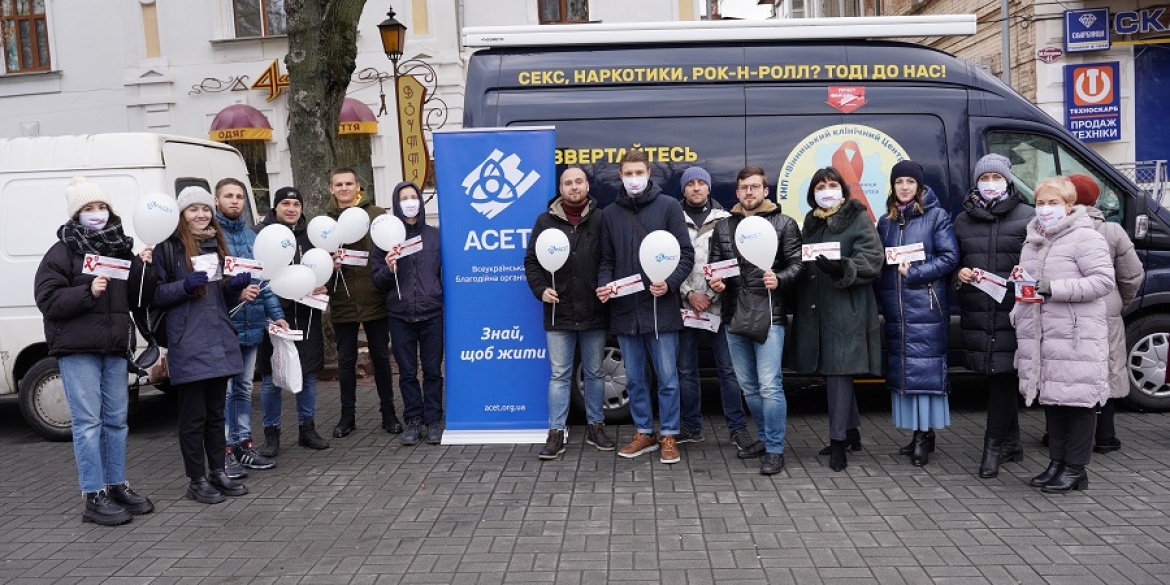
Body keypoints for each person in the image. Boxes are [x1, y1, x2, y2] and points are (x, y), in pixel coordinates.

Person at [34, 177, 157, 525]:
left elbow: (138, 298)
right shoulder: (61, 252)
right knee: (88, 423)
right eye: (89, 209)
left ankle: (117, 484)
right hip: (78, 350)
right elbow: (47, 299)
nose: (97, 214)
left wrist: (143, 267)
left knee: (117, 421)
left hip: (114, 348)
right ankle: (93, 495)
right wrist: (87, 292)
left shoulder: (120, 249)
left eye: (101, 207)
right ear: (76, 215)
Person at [1012, 175, 1115, 493]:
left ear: (1070, 206)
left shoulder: (1086, 238)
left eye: (1053, 203)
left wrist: (1054, 288)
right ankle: (1057, 462)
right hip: (1042, 335)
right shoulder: (1033, 239)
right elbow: (1025, 284)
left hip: (1075, 335)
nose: (1045, 209)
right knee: (1054, 402)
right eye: (1040, 203)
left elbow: (1102, 282)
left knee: (1079, 403)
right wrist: (1018, 307)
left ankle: (1076, 468)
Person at [153, 186, 253, 504]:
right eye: (193, 209)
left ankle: (218, 472)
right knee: (192, 417)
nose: (201, 215)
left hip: (219, 340)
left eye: (206, 209)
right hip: (188, 342)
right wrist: (183, 285)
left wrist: (232, 287)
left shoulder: (215, 245)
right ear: (182, 214)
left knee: (215, 414)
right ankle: (196, 479)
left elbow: (218, 295)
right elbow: (154, 295)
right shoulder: (167, 248)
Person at [596, 149, 694, 465]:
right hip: (625, 310)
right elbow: (607, 259)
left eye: (639, 172)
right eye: (628, 173)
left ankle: (668, 435)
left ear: (649, 172)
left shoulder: (667, 207)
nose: (634, 179)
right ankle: (644, 432)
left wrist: (670, 282)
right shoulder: (610, 214)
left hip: (661, 309)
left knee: (667, 378)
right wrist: (605, 284)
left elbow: (685, 254)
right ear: (620, 175)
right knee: (635, 379)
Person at [707, 166, 803, 474]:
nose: (749, 192)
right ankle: (763, 438)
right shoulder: (723, 228)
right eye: (743, 188)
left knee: (769, 385)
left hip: (770, 314)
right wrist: (715, 283)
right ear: (736, 193)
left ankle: (775, 448)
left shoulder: (784, 223)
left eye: (755, 187)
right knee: (748, 386)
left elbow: (797, 264)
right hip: (734, 313)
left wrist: (781, 278)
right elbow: (714, 266)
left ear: (766, 191)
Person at [791, 167, 884, 472]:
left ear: (843, 189)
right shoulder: (811, 222)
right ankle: (852, 431)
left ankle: (838, 442)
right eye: (820, 185)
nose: (826, 190)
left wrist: (842, 267)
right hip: (818, 309)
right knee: (835, 370)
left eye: (832, 185)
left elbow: (872, 257)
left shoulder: (857, 217)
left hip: (847, 308)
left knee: (838, 372)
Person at [523, 167, 614, 459]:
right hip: (557, 310)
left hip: (594, 308)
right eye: (567, 183)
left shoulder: (602, 219)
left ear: (587, 185)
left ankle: (595, 426)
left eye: (578, 182)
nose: (573, 187)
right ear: (560, 188)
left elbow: (609, 259)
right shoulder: (545, 221)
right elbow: (532, 262)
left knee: (595, 372)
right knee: (560, 374)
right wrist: (540, 290)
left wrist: (604, 285)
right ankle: (556, 432)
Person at [952, 154, 1032, 479]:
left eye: (996, 178)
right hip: (979, 309)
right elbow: (951, 265)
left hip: (1014, 311)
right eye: (984, 179)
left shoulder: (1028, 217)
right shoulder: (962, 220)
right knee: (998, 374)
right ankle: (1012, 442)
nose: (990, 184)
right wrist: (960, 274)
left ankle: (993, 448)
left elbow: (1041, 264)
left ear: (1008, 181)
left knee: (1002, 376)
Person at [876, 161, 960, 467]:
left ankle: (925, 436)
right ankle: (917, 434)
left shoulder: (936, 216)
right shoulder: (886, 221)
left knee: (924, 374)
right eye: (899, 182)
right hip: (897, 311)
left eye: (910, 181)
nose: (904, 187)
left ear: (920, 186)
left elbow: (950, 257)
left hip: (926, 306)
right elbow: (880, 262)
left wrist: (916, 274)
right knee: (905, 376)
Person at [675, 165, 758, 455]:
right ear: (683, 189)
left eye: (701, 183)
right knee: (686, 371)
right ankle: (691, 428)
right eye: (690, 184)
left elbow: (735, 260)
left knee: (729, 371)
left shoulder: (726, 220)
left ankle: (738, 430)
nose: (696, 188)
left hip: (720, 308)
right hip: (685, 307)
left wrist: (709, 294)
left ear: (709, 188)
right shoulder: (673, 219)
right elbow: (667, 261)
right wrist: (689, 293)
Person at [214, 178, 286, 478]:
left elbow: (264, 281)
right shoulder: (212, 236)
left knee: (243, 389)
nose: (234, 201)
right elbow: (212, 284)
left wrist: (277, 315)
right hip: (224, 326)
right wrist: (236, 293)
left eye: (239, 196)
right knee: (226, 392)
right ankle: (225, 450)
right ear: (216, 200)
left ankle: (244, 445)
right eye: (228, 196)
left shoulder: (252, 236)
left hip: (253, 324)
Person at [325, 168, 401, 439]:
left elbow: (389, 250)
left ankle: (388, 413)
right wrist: (328, 264)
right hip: (342, 301)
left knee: (381, 359)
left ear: (358, 186)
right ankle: (347, 417)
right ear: (331, 189)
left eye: (349, 183)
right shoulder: (324, 221)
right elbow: (316, 262)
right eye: (338, 184)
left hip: (374, 297)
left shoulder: (377, 215)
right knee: (346, 362)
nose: (344, 188)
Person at [1070, 174, 1143, 454]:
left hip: (1068, 312)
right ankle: (1105, 436)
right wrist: (1119, 302)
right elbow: (1132, 275)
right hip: (1105, 311)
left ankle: (1062, 435)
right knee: (1107, 368)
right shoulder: (1111, 231)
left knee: (1071, 372)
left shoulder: (1054, 229)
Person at [256, 187, 331, 455]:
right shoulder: (260, 234)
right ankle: (271, 434)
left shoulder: (312, 235)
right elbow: (257, 274)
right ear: (275, 207)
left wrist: (325, 282)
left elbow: (322, 269)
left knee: (309, 376)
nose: (291, 208)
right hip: (272, 316)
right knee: (271, 378)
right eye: (285, 203)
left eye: (296, 204)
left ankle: (307, 429)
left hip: (307, 315)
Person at [371, 182, 445, 446]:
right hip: (400, 315)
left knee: (433, 371)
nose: (410, 202)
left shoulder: (435, 236)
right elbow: (377, 281)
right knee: (407, 372)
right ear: (396, 203)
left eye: (414, 197)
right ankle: (413, 420)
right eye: (404, 198)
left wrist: (437, 294)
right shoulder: (385, 238)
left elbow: (444, 274)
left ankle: (433, 420)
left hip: (432, 313)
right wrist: (389, 268)